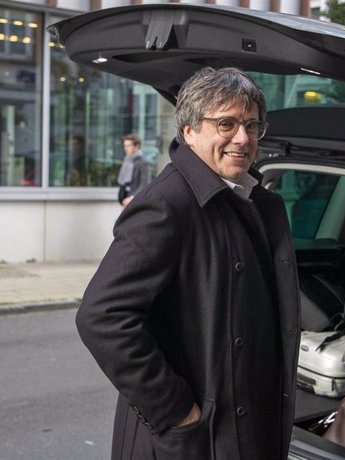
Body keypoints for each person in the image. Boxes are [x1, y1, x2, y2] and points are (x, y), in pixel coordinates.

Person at [76, 67, 300, 460]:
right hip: (194, 439)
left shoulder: (255, 201)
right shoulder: (167, 203)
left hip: (247, 427)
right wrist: (177, 411)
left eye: (252, 125)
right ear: (190, 131)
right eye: (226, 124)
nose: (243, 138)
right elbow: (102, 316)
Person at [117, 133, 151, 206]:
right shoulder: (126, 161)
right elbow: (123, 183)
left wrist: (131, 198)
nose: (125, 148)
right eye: (124, 146)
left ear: (136, 146)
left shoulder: (143, 163)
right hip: (125, 200)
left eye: (128, 146)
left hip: (135, 201)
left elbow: (145, 184)